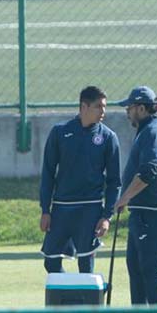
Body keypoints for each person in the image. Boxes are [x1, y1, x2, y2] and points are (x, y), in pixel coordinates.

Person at [108, 86, 157, 313]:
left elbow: (149, 171)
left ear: (141, 107)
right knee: (135, 265)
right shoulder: (145, 130)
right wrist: (129, 200)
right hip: (142, 209)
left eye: (129, 108)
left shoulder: (155, 131)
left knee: (151, 266)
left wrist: (124, 197)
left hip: (156, 209)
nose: (127, 112)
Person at [39, 86, 121, 273]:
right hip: (61, 208)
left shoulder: (108, 138)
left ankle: (85, 301)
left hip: (90, 209)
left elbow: (114, 182)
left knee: (85, 265)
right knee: (50, 262)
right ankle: (68, 300)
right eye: (98, 106)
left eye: (104, 106)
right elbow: (48, 174)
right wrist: (45, 209)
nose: (103, 112)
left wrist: (106, 216)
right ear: (83, 107)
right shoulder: (60, 133)